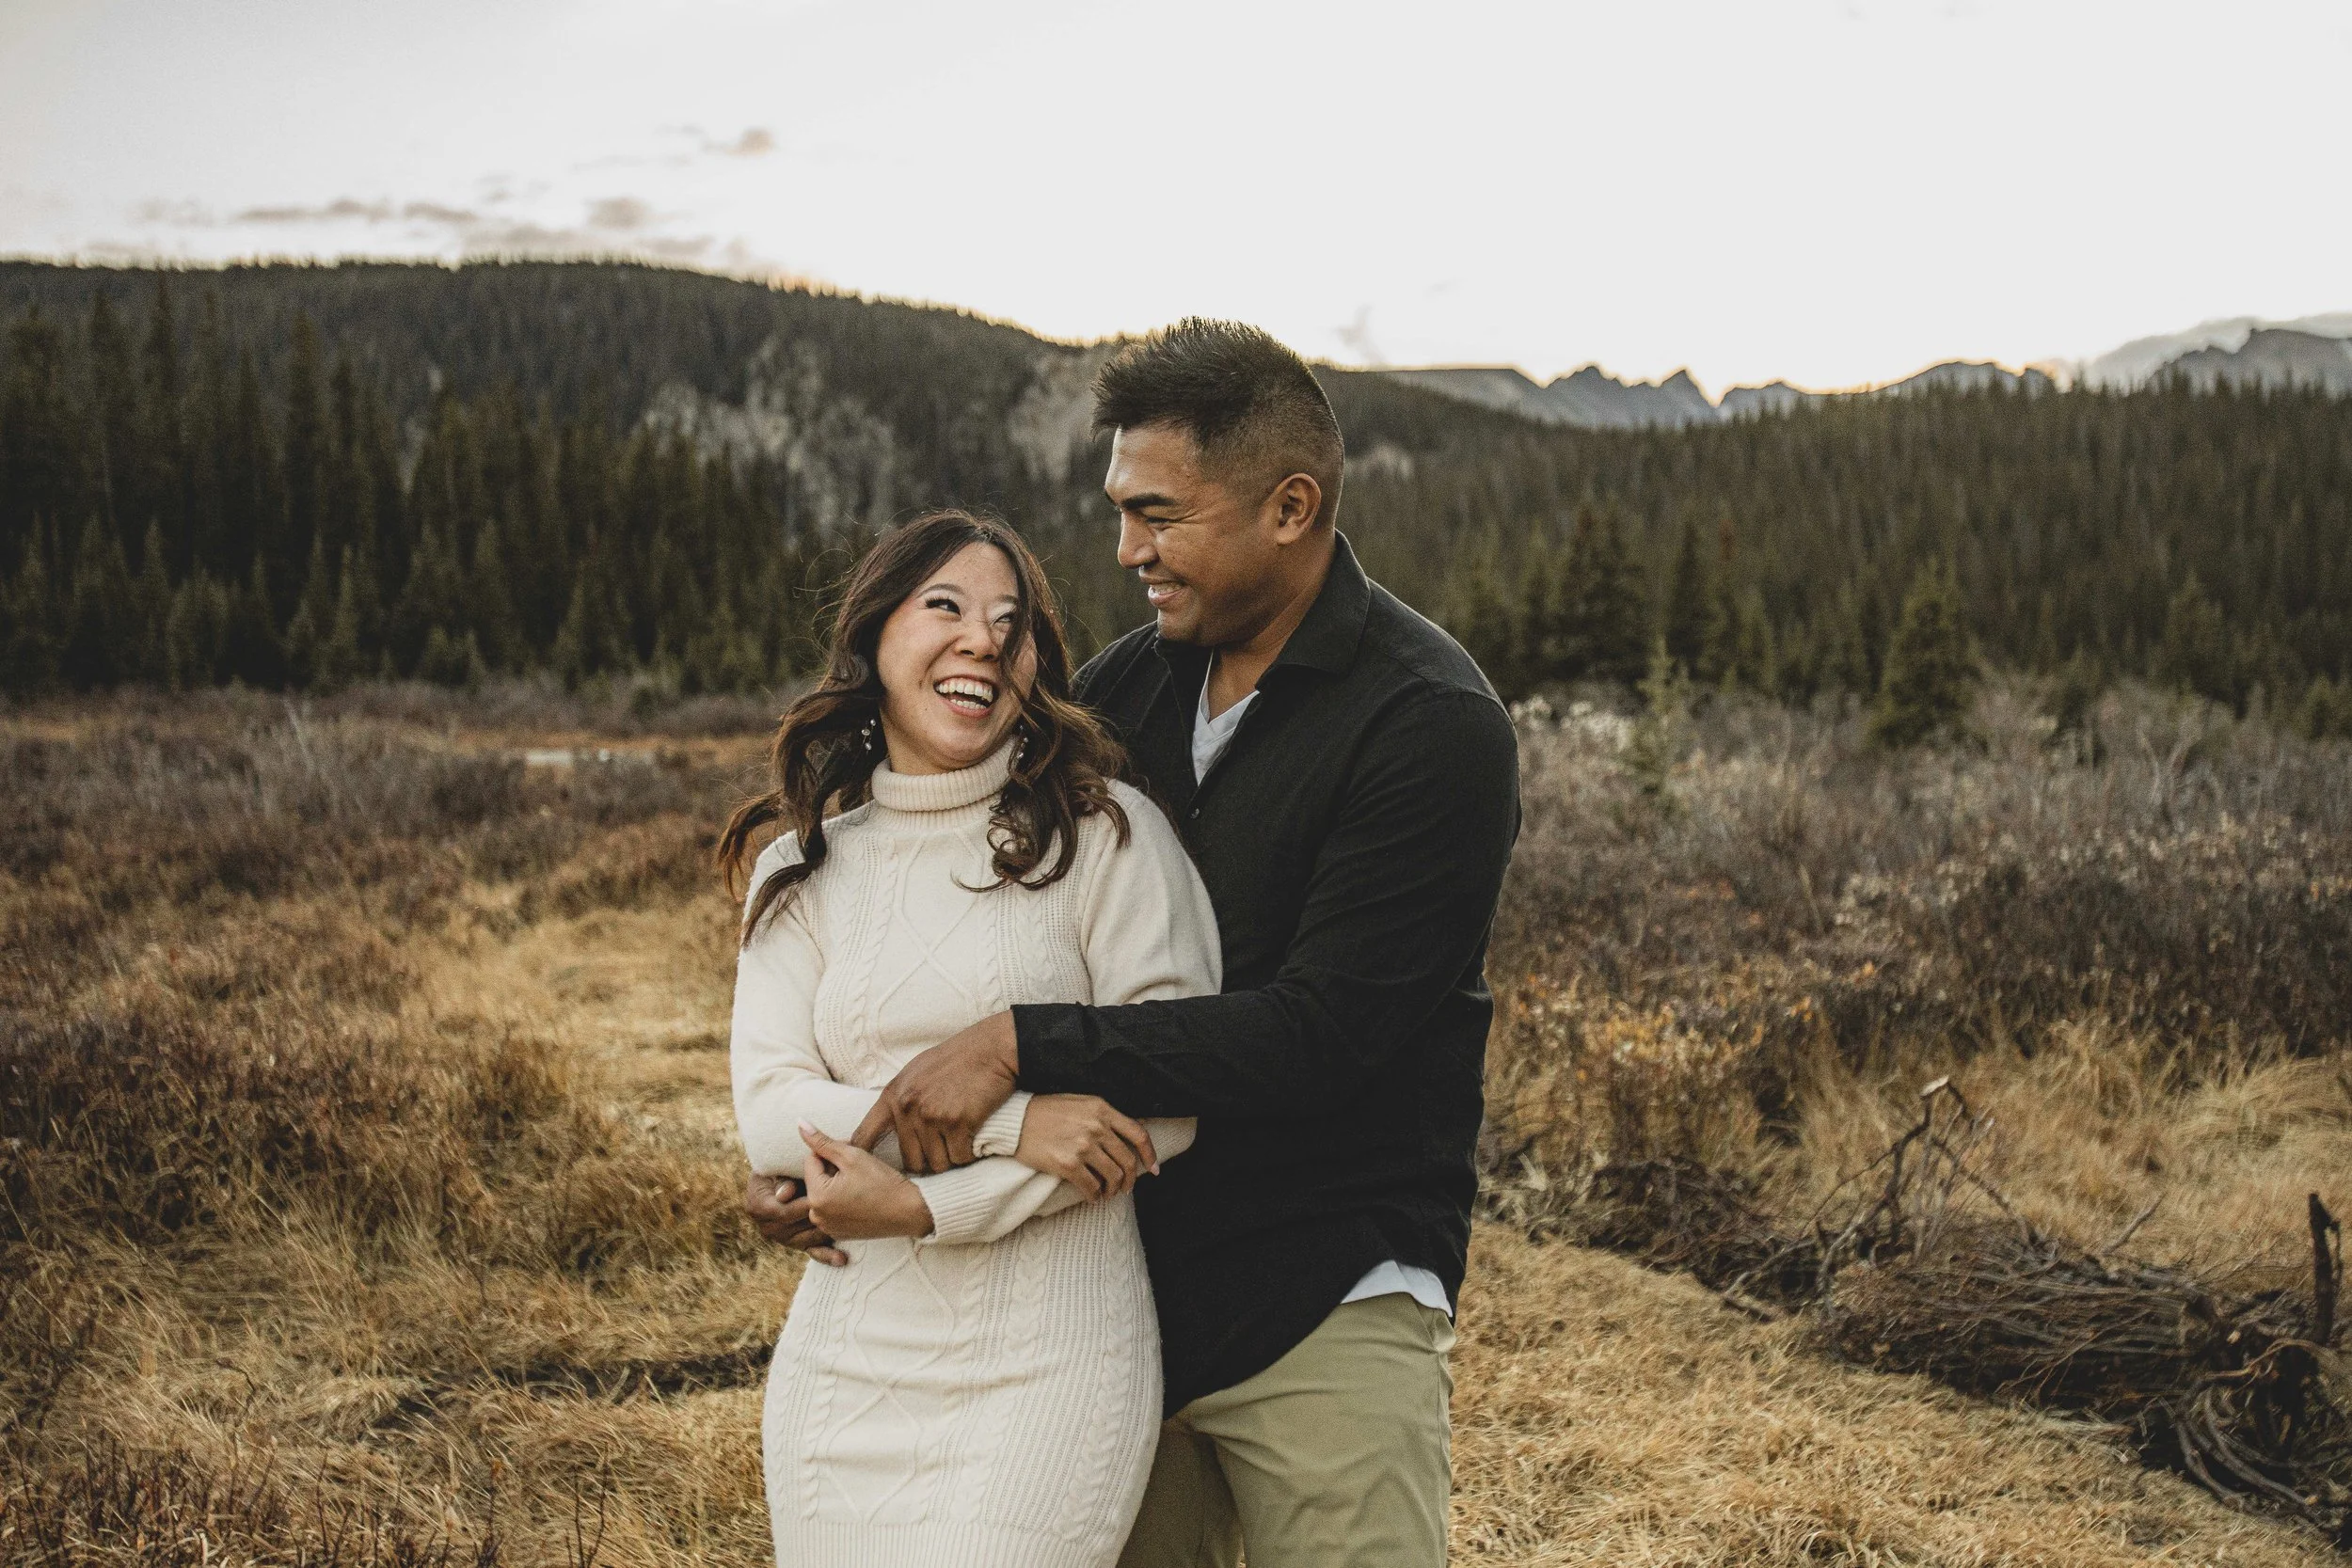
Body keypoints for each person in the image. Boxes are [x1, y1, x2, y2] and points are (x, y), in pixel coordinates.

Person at [749, 320, 1521, 1568]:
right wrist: (829, 1153)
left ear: (1289, 507)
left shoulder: (1428, 723)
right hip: (1114, 1295)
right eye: (1120, 511)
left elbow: (1323, 1033)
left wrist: (1019, 1046)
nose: (1127, 550)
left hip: (1326, 1292)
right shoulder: (1123, 692)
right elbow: (961, 902)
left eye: (1160, 515)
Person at [721, 508, 1223, 1568]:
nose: (982, 642)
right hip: (849, 1362)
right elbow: (769, 1111)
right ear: (874, 638)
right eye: (944, 606)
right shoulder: (801, 870)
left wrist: (922, 1204)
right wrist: (1016, 1123)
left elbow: (1170, 1100)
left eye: (1011, 622)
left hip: (1054, 1360)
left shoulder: (1108, 837)